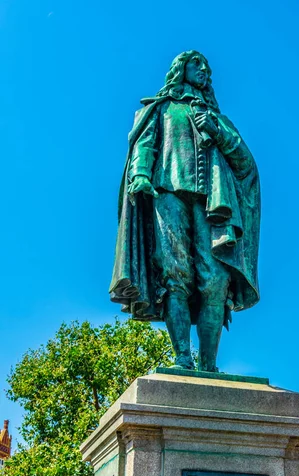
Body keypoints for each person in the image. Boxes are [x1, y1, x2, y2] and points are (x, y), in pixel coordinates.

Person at [110, 51, 260, 372]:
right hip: (167, 193)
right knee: (175, 274)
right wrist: (140, 174)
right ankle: (182, 357)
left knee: (216, 280)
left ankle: (209, 365)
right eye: (197, 64)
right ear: (181, 69)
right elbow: (144, 144)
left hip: (212, 202)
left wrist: (217, 130)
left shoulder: (215, 117)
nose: (205, 70)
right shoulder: (162, 108)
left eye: (207, 67)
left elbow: (245, 164)